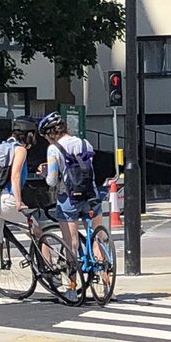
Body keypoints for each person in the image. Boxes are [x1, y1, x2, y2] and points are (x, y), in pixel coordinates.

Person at [37, 112, 110, 286]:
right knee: (97, 238)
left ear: (50, 133)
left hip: (69, 198)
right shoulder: (85, 143)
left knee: (71, 244)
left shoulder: (54, 149)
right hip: (91, 195)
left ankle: (71, 286)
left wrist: (44, 173)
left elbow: (52, 180)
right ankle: (107, 283)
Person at [0, 116, 36, 306]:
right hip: (6, 201)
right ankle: (53, 275)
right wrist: (19, 202)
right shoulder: (19, 150)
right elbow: (15, 177)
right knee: (38, 231)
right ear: (27, 135)